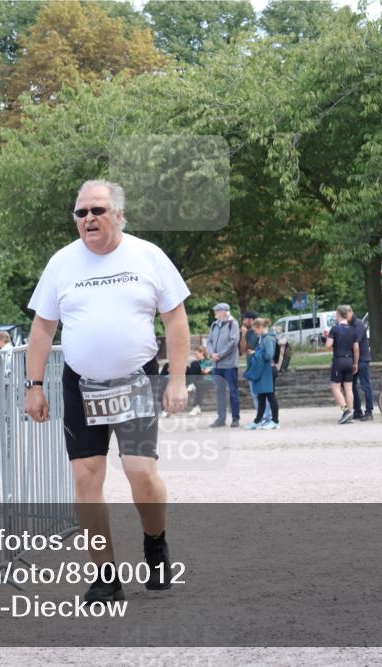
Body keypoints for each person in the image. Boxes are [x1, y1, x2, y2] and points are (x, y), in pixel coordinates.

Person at [25, 179, 190, 605]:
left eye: (97, 210)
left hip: (134, 381)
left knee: (140, 473)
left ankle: (155, 543)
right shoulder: (62, 263)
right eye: (81, 213)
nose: (88, 219)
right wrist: (35, 385)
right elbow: (42, 327)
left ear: (119, 214)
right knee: (85, 478)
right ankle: (105, 575)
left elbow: (175, 319)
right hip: (81, 384)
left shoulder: (148, 256)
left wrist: (175, 379)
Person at [206, 303, 240, 428]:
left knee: (232, 391)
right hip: (216, 365)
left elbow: (233, 342)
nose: (215, 313)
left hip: (229, 364)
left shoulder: (233, 324)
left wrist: (219, 354)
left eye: (217, 311)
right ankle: (221, 418)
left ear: (225, 311)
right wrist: (211, 353)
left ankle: (235, 418)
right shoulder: (215, 324)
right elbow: (209, 341)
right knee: (219, 392)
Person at [325, 304, 360, 424]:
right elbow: (356, 349)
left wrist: (331, 342)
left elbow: (328, 345)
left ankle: (345, 411)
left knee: (335, 387)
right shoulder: (353, 330)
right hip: (350, 360)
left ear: (339, 315)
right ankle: (350, 413)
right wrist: (355, 363)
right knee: (348, 389)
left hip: (339, 360)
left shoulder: (335, 329)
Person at [245, 318, 279, 430]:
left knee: (270, 396)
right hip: (266, 370)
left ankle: (275, 421)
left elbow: (269, 355)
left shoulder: (268, 339)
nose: (255, 332)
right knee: (261, 396)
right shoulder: (264, 338)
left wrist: (256, 353)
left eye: (255, 330)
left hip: (268, 370)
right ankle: (257, 421)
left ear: (260, 328)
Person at [240, 310, 272, 424]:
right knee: (255, 394)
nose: (243, 321)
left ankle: (267, 417)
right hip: (252, 367)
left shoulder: (260, 334)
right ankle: (260, 417)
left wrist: (253, 352)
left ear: (251, 320)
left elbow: (260, 351)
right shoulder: (248, 333)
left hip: (260, 367)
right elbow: (242, 350)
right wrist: (243, 334)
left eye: (245, 319)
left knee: (262, 394)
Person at [349, 310, 374, 421]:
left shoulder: (359, 324)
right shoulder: (348, 324)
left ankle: (369, 412)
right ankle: (357, 410)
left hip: (362, 359)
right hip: (353, 360)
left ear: (350, 313)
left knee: (365, 386)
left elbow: (356, 342)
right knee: (352, 386)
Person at [187, 346, 212, 416]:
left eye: (196, 354)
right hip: (198, 379)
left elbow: (215, 368)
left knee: (200, 384)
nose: (195, 356)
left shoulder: (209, 361)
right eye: (195, 354)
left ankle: (196, 407)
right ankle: (191, 384)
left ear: (202, 353)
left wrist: (209, 369)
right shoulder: (197, 363)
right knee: (192, 364)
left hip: (208, 379)